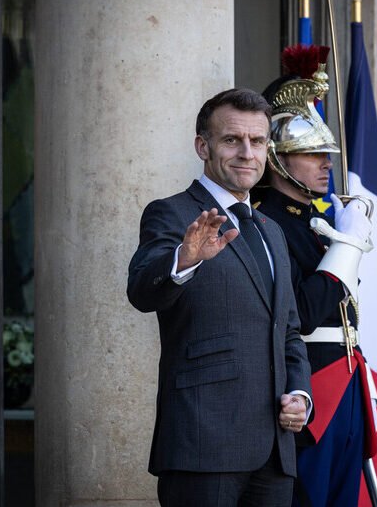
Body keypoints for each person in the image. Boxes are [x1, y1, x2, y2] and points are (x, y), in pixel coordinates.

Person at [127, 88, 313, 507]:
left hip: (275, 451)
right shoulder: (172, 213)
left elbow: (289, 331)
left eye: (258, 141)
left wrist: (300, 394)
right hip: (203, 442)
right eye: (232, 140)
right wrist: (184, 259)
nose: (247, 153)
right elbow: (141, 291)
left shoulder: (271, 230)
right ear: (203, 147)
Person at [253, 47, 377, 507]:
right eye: (312, 153)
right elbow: (302, 313)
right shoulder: (266, 221)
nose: (327, 163)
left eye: (327, 153)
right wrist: (347, 247)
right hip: (308, 384)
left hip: (347, 379)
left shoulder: (318, 220)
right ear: (278, 159)